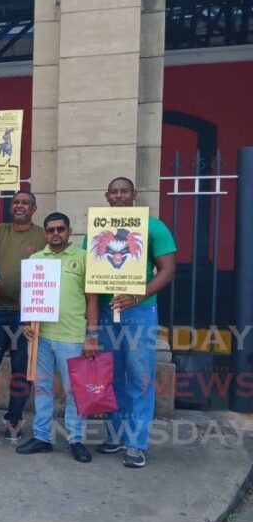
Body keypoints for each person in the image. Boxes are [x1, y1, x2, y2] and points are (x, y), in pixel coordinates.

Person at [92, 176, 177, 469]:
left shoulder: (153, 226)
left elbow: (166, 270)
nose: (118, 196)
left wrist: (137, 297)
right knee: (111, 376)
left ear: (134, 194)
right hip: (106, 310)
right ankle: (115, 435)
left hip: (139, 311)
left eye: (124, 191)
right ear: (107, 195)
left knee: (140, 376)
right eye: (113, 191)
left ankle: (136, 443)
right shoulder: (97, 227)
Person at [15, 213, 99, 463]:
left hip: (72, 336)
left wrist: (91, 335)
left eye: (60, 229)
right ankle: (42, 437)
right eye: (50, 229)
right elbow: (29, 294)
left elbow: (92, 299)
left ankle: (76, 439)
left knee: (75, 391)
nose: (55, 233)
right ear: (44, 233)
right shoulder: (36, 259)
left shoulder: (83, 258)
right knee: (42, 388)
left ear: (69, 230)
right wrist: (27, 323)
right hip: (41, 336)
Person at [0, 191, 46, 440]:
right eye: (16, 202)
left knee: (21, 371)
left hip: (27, 316)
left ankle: (14, 419)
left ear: (34, 209)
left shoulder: (42, 235)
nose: (19, 206)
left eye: (25, 203)